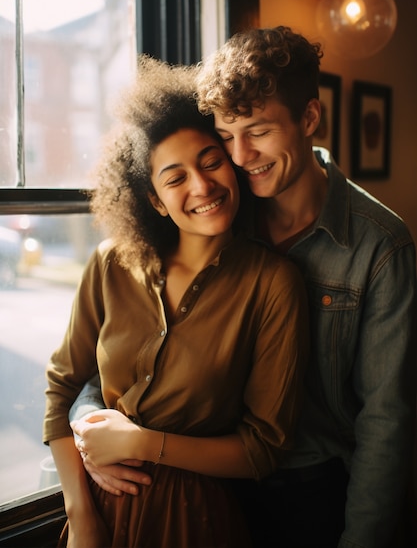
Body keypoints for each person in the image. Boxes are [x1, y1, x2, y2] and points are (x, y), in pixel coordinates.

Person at [74, 27, 417, 548]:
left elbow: (387, 424)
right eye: (226, 137)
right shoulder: (217, 211)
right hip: (202, 483)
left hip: (312, 491)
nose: (241, 155)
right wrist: (89, 432)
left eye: (257, 131)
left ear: (308, 118)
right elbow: (128, 345)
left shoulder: (380, 246)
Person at [43, 55, 310, 548]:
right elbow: (63, 389)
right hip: (94, 516)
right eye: (175, 177)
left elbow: (262, 448)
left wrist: (143, 443)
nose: (202, 185)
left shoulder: (272, 283)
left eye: (211, 162)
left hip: (194, 522)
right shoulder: (110, 264)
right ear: (154, 201)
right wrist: (80, 516)